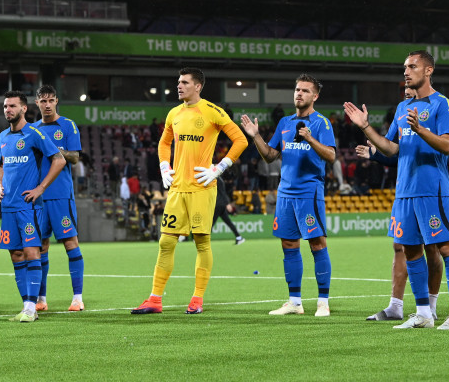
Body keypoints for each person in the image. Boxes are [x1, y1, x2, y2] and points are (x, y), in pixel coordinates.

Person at [344, 50, 449, 330]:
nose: (406, 72)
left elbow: (448, 146)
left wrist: (421, 130)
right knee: (410, 250)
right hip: (405, 192)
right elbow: (391, 148)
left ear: (428, 70)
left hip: (431, 189)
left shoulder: (442, 104)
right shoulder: (401, 108)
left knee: (446, 248)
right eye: (405, 67)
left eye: (413, 66)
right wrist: (365, 128)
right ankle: (423, 313)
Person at [132, 67, 248, 315]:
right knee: (165, 241)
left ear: (198, 86)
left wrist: (219, 167)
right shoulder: (173, 113)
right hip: (177, 188)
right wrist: (165, 165)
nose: (179, 86)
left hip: (202, 188)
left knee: (202, 242)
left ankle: (197, 299)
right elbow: (164, 142)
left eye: (184, 82)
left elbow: (241, 140)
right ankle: (154, 299)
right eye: (178, 82)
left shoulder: (213, 112)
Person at [240, 73, 336, 317]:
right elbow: (271, 155)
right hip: (285, 193)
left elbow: (331, 156)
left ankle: (323, 302)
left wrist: (310, 139)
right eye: (297, 90)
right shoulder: (285, 123)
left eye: (305, 90)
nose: (299, 94)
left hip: (309, 192)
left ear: (315, 96)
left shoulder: (321, 123)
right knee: (288, 244)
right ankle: (295, 301)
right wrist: (255, 136)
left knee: (317, 243)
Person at [356, 134, 448, 321]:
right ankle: (395, 306)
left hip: (430, 190)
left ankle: (431, 306)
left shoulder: (438, 109)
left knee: (431, 247)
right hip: (405, 188)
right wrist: (376, 154)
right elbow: (399, 154)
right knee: (400, 245)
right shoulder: (402, 114)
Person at [0, 90, 66, 323]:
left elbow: (59, 159)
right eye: (6, 106)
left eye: (13, 106)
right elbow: (0, 165)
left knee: (32, 251)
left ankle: (31, 307)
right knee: (15, 254)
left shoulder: (34, 133)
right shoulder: (3, 136)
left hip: (29, 207)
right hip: (8, 207)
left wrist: (41, 188)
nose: (8, 110)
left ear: (24, 108)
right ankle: (27, 305)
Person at [33, 85, 87, 312]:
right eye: (43, 101)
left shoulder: (67, 125)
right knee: (41, 246)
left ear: (56, 102)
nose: (47, 105)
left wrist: (53, 149)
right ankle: (41, 299)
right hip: (38, 196)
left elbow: (74, 157)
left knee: (70, 243)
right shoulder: (32, 129)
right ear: (37, 103)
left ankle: (77, 298)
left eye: (51, 100)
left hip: (61, 195)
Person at [212, 178, 245, 244]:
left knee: (211, 223)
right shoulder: (219, 179)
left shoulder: (216, 180)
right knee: (228, 222)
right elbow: (223, 193)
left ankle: (201, 239)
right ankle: (239, 237)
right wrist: (227, 203)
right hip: (221, 204)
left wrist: (227, 204)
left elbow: (222, 193)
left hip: (218, 204)